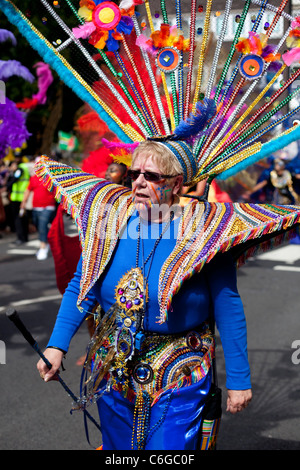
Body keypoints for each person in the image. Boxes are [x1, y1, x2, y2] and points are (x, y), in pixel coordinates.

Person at [35, 135, 300, 451]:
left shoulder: (206, 231)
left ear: (175, 184)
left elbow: (227, 305)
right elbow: (83, 285)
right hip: (114, 365)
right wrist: (56, 345)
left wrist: (239, 381)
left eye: (152, 176)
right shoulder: (110, 218)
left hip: (179, 369)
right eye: (135, 174)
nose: (139, 183)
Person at [20, 172, 57, 260]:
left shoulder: (51, 178)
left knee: (42, 226)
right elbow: (28, 190)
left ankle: (43, 247)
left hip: (48, 207)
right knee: (38, 225)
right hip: (36, 207)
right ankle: (47, 241)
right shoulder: (33, 178)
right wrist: (23, 202)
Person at [6, 155, 30, 245]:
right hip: (21, 197)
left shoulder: (20, 169)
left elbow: (14, 179)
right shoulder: (23, 167)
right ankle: (25, 237)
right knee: (23, 218)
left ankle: (21, 238)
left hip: (18, 198)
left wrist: (5, 187)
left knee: (18, 219)